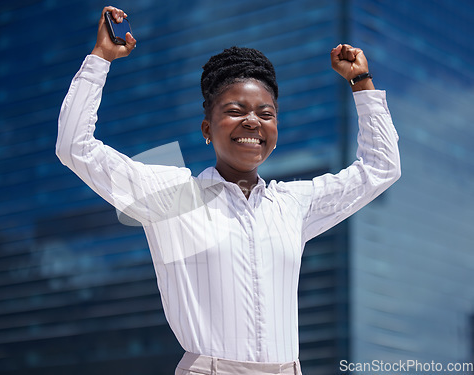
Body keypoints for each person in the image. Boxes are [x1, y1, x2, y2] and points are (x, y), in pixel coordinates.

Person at [56, 6, 400, 375]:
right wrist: (100, 58)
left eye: (266, 114)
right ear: (207, 128)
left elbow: (381, 168)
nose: (252, 121)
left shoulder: (293, 204)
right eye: (236, 110)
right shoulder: (171, 194)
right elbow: (75, 146)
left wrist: (361, 82)